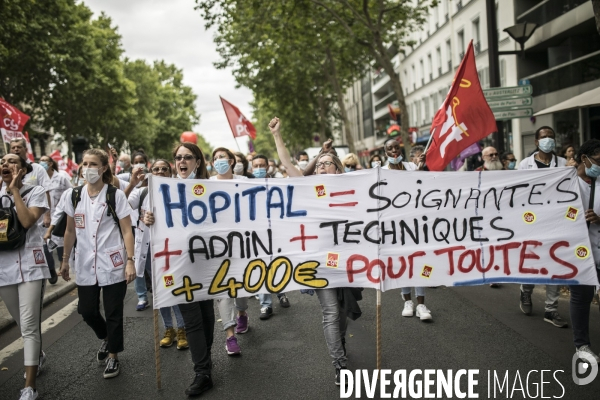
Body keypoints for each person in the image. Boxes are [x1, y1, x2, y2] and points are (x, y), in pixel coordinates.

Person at [269, 117, 348, 384]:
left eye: (329, 163)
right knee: (331, 312)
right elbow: (289, 165)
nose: (324, 166)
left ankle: (341, 347)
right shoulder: (308, 187)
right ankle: (339, 363)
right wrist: (278, 135)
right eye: (320, 163)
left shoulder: (354, 189)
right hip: (320, 262)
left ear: (338, 170)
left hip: (350, 261)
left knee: (344, 310)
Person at [143, 142, 216, 397]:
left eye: (188, 157)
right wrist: (148, 219)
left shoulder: (211, 189)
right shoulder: (163, 191)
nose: (182, 161)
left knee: (207, 318)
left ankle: (205, 361)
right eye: (178, 158)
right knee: (193, 321)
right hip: (177, 266)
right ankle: (202, 372)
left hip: (207, 266)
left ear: (198, 161)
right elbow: (154, 221)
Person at [59, 149, 136, 379]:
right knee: (87, 310)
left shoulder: (115, 195)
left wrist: (130, 261)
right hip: (84, 263)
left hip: (113, 262)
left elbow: (126, 230)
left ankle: (113, 355)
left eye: (93, 164)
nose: (87, 168)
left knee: (113, 311)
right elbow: (70, 230)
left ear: (103, 168)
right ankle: (105, 337)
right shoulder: (73, 196)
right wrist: (64, 260)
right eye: (84, 163)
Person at [0, 154, 49, 400]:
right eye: (2, 161)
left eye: (12, 161)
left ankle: (30, 387)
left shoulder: (36, 191)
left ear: (23, 169)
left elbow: (28, 221)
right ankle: (37, 355)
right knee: (21, 323)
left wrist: (14, 192)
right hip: (4, 268)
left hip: (31, 265)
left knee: (29, 326)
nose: (5, 164)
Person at [129, 159, 189, 350]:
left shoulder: (179, 190)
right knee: (160, 289)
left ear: (170, 172)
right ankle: (168, 328)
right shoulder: (141, 192)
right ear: (150, 173)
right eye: (156, 169)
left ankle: (182, 329)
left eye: (164, 169)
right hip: (149, 249)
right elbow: (118, 205)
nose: (161, 172)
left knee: (174, 286)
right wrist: (132, 183)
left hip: (173, 249)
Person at [517, 126, 568, 327]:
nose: (548, 140)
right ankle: (526, 292)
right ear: (537, 142)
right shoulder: (525, 164)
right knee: (533, 263)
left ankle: (551, 310)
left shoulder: (564, 164)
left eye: (551, 137)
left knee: (555, 264)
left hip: (556, 221)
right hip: (531, 221)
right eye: (544, 137)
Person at [210, 147, 250, 355]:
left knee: (242, 286)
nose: (219, 161)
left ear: (232, 161)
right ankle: (230, 335)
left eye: (222, 157)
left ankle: (242, 312)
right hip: (218, 246)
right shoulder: (207, 184)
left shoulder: (244, 182)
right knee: (223, 290)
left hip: (244, 244)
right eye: (215, 158)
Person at [569, 139, 600, 364]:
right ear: (584, 158)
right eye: (598, 160)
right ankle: (582, 346)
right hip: (577, 254)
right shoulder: (564, 182)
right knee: (581, 298)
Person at [250, 153, 292, 318]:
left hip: (276, 232)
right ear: (251, 168)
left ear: (268, 166)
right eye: (256, 166)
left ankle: (281, 293)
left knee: (276, 264)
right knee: (260, 267)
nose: (259, 169)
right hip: (255, 234)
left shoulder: (278, 183)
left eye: (262, 165)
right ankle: (266, 305)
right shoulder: (244, 185)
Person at [38, 155, 72, 285]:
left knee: (59, 244)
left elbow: (71, 193)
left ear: (51, 163)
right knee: (45, 246)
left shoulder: (61, 178)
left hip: (59, 217)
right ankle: (51, 269)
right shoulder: (37, 178)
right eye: (40, 161)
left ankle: (63, 265)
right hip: (42, 219)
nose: (42, 163)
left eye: (44, 161)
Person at [9, 139, 52, 229]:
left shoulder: (37, 169)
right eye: (13, 147)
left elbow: (46, 191)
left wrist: (47, 215)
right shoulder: (6, 171)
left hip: (34, 217)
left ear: (26, 149)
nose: (16, 149)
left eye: (19, 147)